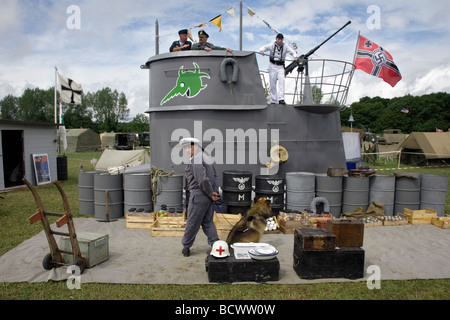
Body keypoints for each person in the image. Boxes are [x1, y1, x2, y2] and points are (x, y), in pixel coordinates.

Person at [180, 137, 220, 257]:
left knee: (192, 222)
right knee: (207, 221)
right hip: (207, 196)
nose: (187, 150)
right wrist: (214, 192)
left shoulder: (197, 158)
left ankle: (186, 247)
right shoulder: (205, 156)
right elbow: (215, 176)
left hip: (198, 196)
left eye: (189, 147)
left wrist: (210, 193)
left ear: (196, 146)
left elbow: (202, 180)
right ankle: (216, 244)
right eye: (185, 148)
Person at [259, 33, 297, 104]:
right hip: (272, 65)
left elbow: (293, 52)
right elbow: (263, 48)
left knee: (281, 82)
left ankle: (281, 99)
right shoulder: (272, 45)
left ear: (282, 40)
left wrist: (295, 57)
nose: (279, 41)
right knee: (272, 83)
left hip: (280, 66)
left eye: (281, 39)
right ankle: (273, 100)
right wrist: (261, 51)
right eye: (278, 39)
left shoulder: (285, 46)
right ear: (276, 39)